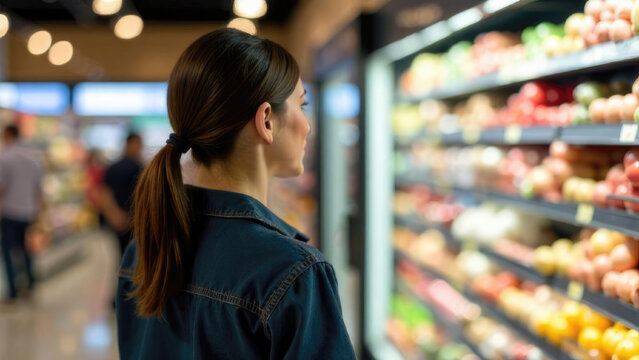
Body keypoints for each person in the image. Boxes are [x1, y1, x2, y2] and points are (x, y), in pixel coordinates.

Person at [116, 29, 356, 359]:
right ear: (267, 121)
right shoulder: (293, 272)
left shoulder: (146, 245)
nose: (308, 125)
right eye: (302, 104)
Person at [0, 125, 43, 301]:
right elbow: (38, 189)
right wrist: (38, 211)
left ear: (8, 135)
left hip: (10, 211)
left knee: (8, 251)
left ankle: (13, 291)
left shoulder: (5, 157)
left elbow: (1, 188)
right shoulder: (34, 159)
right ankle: (30, 285)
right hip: (29, 210)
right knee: (26, 249)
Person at [101, 133, 143, 256]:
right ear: (129, 144)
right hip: (130, 222)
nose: (139, 148)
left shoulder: (114, 167)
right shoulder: (138, 168)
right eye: (137, 144)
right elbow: (105, 194)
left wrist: (114, 216)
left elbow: (105, 194)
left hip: (127, 221)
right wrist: (115, 216)